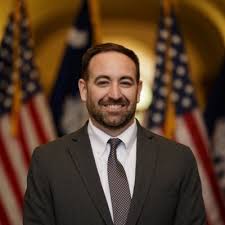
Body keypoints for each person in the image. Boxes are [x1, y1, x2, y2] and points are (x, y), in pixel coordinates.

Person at [23, 43, 206, 225]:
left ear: (139, 90)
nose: (115, 94)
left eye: (125, 82)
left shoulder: (178, 159)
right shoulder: (48, 161)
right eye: (103, 82)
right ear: (84, 90)